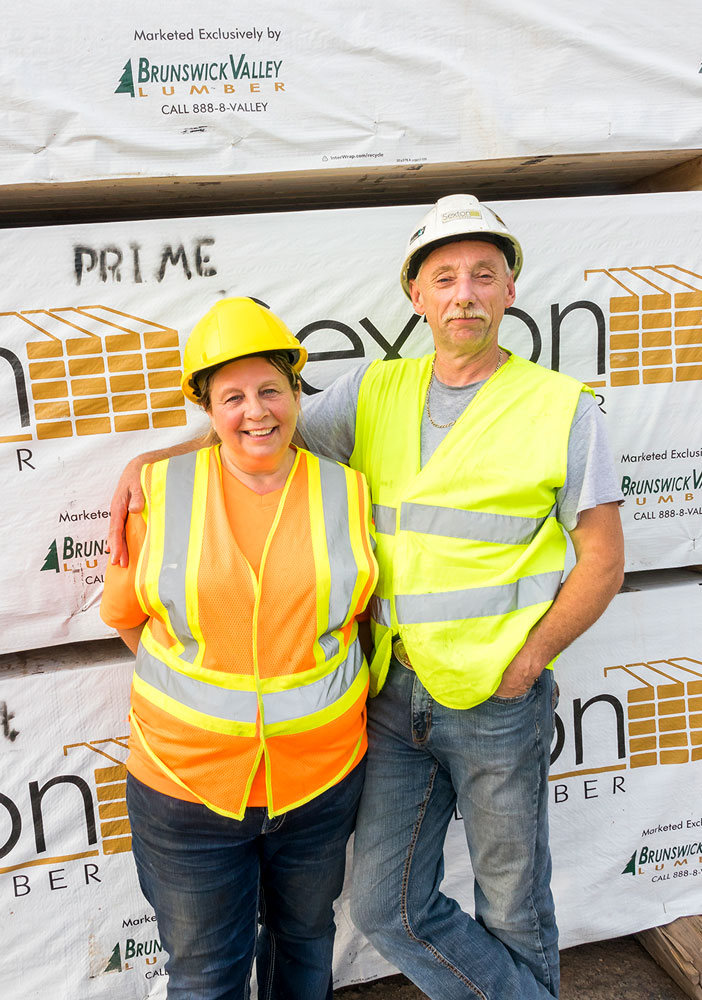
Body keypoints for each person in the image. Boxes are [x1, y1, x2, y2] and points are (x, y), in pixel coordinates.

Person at [110, 195, 624, 999]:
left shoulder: (563, 409)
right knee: (386, 908)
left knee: (514, 904)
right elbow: (258, 428)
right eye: (443, 277)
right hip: (389, 697)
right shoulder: (373, 392)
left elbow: (601, 560)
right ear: (415, 296)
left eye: (482, 275)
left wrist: (528, 662)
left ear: (509, 289)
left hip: (497, 700)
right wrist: (154, 461)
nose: (464, 294)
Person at [100, 297, 378, 1000]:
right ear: (206, 407)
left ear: (295, 395)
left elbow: (361, 621)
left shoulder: (349, 492)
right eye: (232, 397)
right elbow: (127, 619)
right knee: (204, 977)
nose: (255, 412)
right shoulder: (157, 491)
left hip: (319, 782)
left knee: (305, 951)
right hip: (185, 788)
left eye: (270, 391)